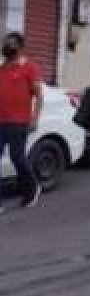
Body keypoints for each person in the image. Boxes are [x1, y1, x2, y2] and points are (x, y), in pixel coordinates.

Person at [0, 32, 44, 211]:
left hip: (18, 122)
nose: (7, 47)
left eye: (11, 44)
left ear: (20, 47)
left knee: (17, 158)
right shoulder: (1, 69)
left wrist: (34, 118)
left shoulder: (29, 68)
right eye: (5, 43)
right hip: (0, 121)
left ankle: (31, 189)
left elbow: (39, 95)